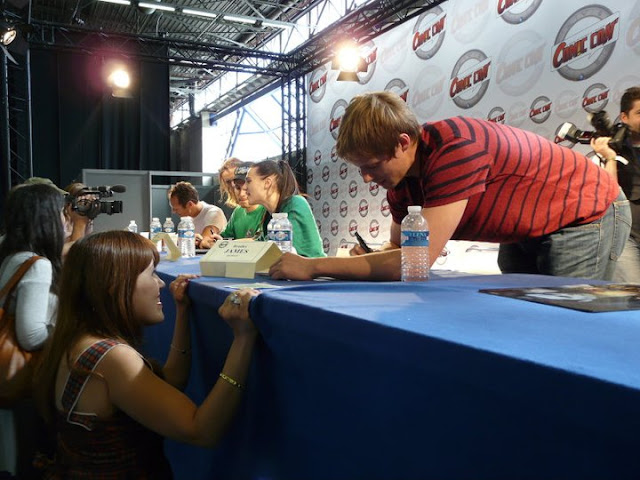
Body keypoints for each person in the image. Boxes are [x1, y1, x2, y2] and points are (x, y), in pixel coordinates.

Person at [269, 90, 630, 281]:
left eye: (371, 166)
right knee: (527, 322)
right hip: (528, 227)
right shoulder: (399, 182)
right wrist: (373, 256)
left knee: (564, 324)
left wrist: (314, 266)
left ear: (404, 142)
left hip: (586, 212)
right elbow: (396, 246)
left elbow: (414, 263)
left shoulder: (456, 148)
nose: (367, 178)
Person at [33, 231, 258, 478]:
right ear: (114, 284)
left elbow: (169, 383)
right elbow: (201, 430)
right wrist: (243, 338)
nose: (160, 283)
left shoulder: (77, 340)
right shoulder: (111, 357)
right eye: (151, 273)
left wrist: (182, 312)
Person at [0, 183, 65, 478]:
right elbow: (31, 335)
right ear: (46, 217)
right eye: (62, 213)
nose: (66, 220)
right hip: (23, 381)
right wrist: (68, 331)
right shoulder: (37, 265)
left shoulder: (8, 251)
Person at [591, 86, 640, 283]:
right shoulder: (610, 150)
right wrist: (610, 158)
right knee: (632, 298)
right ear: (624, 117)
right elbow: (610, 194)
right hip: (626, 237)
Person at [243, 159, 326, 258]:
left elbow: (280, 250)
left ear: (267, 183)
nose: (244, 187)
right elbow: (259, 243)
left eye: (248, 181)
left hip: (310, 272)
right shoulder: (269, 216)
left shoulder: (296, 203)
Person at [199, 159, 266, 249]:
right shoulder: (238, 211)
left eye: (247, 188)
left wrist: (225, 244)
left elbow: (261, 241)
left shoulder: (267, 211)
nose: (241, 193)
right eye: (237, 187)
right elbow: (223, 237)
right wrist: (211, 240)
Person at [168, 181, 227, 248]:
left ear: (190, 204)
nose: (173, 212)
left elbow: (205, 241)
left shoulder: (213, 213)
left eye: (176, 209)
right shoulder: (187, 218)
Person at [62, 182, 95, 257]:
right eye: (83, 202)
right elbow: (73, 252)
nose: (85, 207)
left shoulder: (86, 218)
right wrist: (79, 221)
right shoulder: (62, 219)